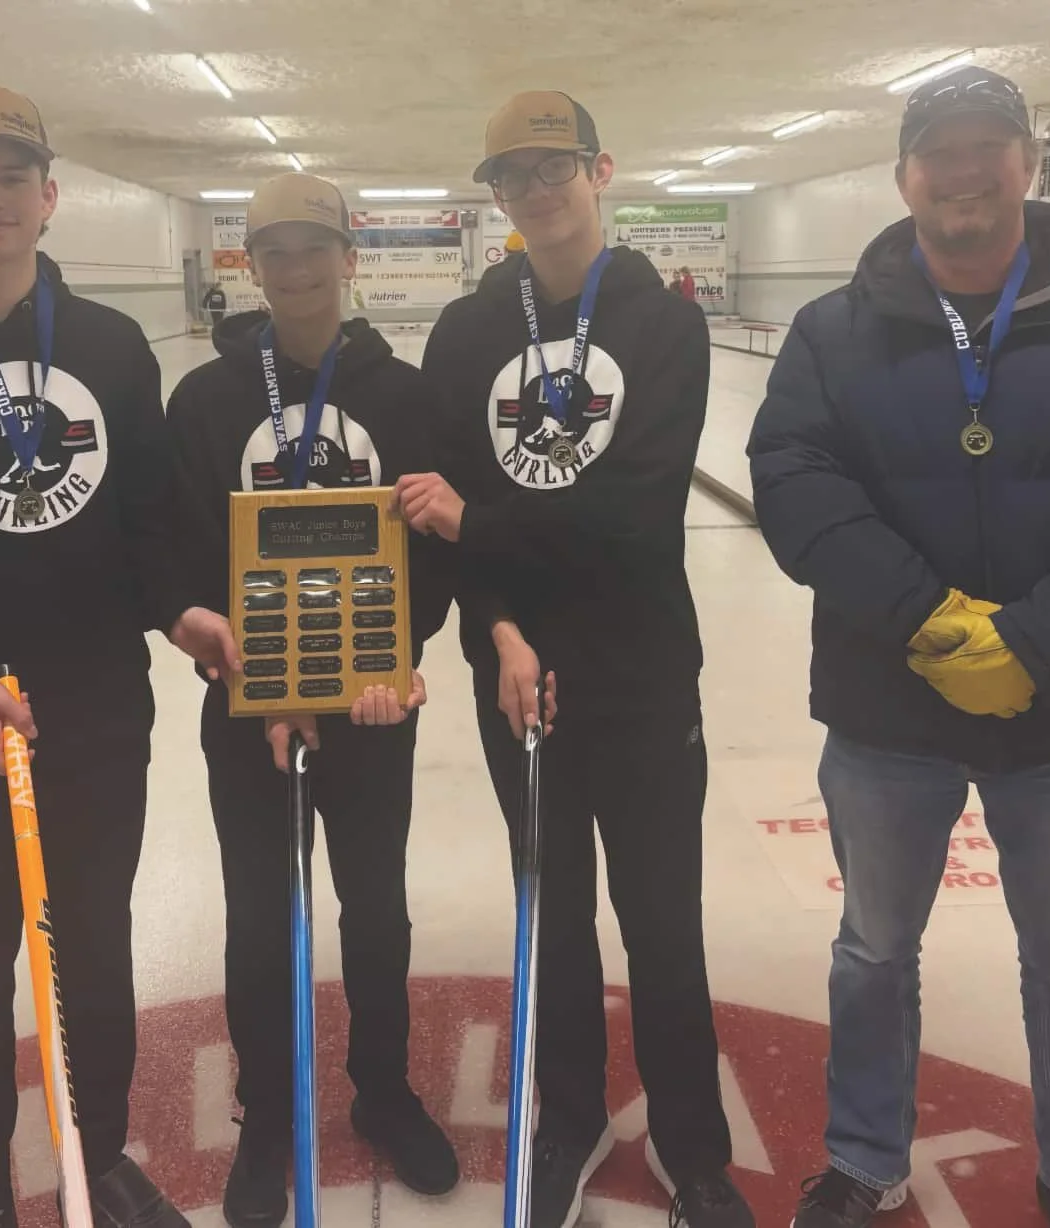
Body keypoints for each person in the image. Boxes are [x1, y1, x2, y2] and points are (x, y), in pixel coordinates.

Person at [0, 81, 238, 1228]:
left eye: (12, 177)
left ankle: (100, 1150)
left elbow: (147, 525)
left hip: (92, 717)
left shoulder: (109, 348)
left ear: (49, 197)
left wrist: (182, 611)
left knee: (92, 951)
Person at [394, 90, 755, 1228]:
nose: (538, 190)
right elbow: (443, 513)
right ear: (496, 195)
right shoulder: (467, 334)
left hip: (642, 671)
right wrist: (499, 630)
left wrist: (480, 524)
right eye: (515, 175)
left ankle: (692, 1146)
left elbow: (634, 516)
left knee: (662, 917)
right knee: (550, 916)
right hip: (518, 677)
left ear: (601, 171)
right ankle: (571, 1117)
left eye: (557, 167)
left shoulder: (664, 325)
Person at [747, 67, 1050, 1228]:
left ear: (1029, 163)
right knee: (874, 950)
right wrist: (927, 618)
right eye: (941, 151)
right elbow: (792, 477)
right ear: (903, 177)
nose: (964, 172)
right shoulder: (833, 331)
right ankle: (866, 1155)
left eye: (989, 147)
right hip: (889, 707)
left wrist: (1032, 639)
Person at [165, 172, 460, 1228]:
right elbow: (183, 555)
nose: (295, 268)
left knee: (375, 905)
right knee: (262, 912)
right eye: (273, 251)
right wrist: (239, 672)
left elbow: (434, 556)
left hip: (371, 699)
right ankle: (268, 1110)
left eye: (313, 247)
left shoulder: (407, 398)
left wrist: (401, 656)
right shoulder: (205, 401)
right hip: (249, 706)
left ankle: (383, 1089)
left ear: (349, 256)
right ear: (249, 263)